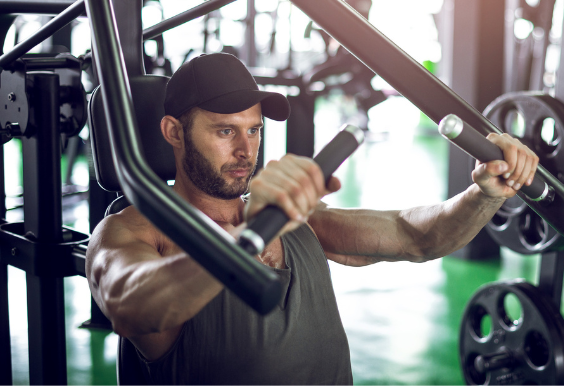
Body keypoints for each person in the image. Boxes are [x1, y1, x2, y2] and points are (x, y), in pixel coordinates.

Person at [85, 52, 539, 384]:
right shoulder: (134, 231)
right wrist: (248, 235)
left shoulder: (297, 221)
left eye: (254, 130)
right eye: (225, 131)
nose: (246, 151)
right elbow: (132, 306)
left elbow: (416, 236)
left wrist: (484, 192)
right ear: (173, 132)